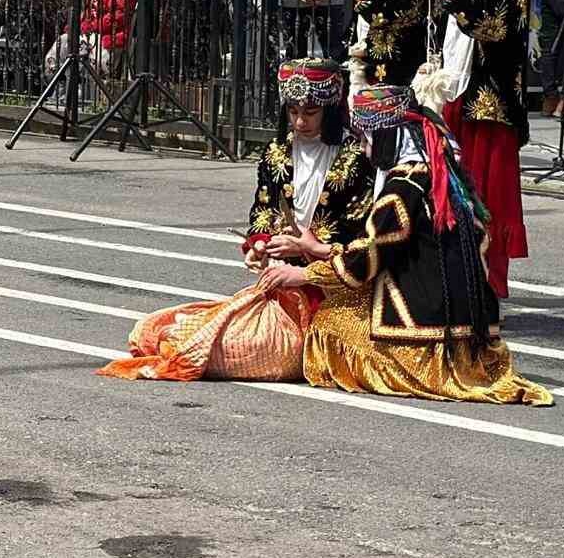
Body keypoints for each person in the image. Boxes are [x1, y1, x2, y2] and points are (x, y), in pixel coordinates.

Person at [258, 85, 552, 407]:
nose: (364, 148)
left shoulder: (401, 189)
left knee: (329, 323)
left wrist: (302, 275)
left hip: (429, 330)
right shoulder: (444, 176)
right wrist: (321, 249)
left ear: (386, 138)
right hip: (471, 329)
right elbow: (392, 248)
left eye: (367, 138)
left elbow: (367, 260)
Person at [99, 60, 374, 383]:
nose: (300, 122)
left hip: (332, 290)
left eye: (310, 113)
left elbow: (361, 235)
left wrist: (307, 249)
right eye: (293, 112)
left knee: (246, 349)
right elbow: (262, 209)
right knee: (160, 329)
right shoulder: (276, 153)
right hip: (278, 286)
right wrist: (259, 244)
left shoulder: (356, 158)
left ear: (329, 109)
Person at [426, 0, 531, 299]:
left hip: (491, 110)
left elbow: (482, 22)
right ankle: (454, 277)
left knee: (485, 200)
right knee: (454, 195)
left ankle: (486, 284)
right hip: (459, 98)